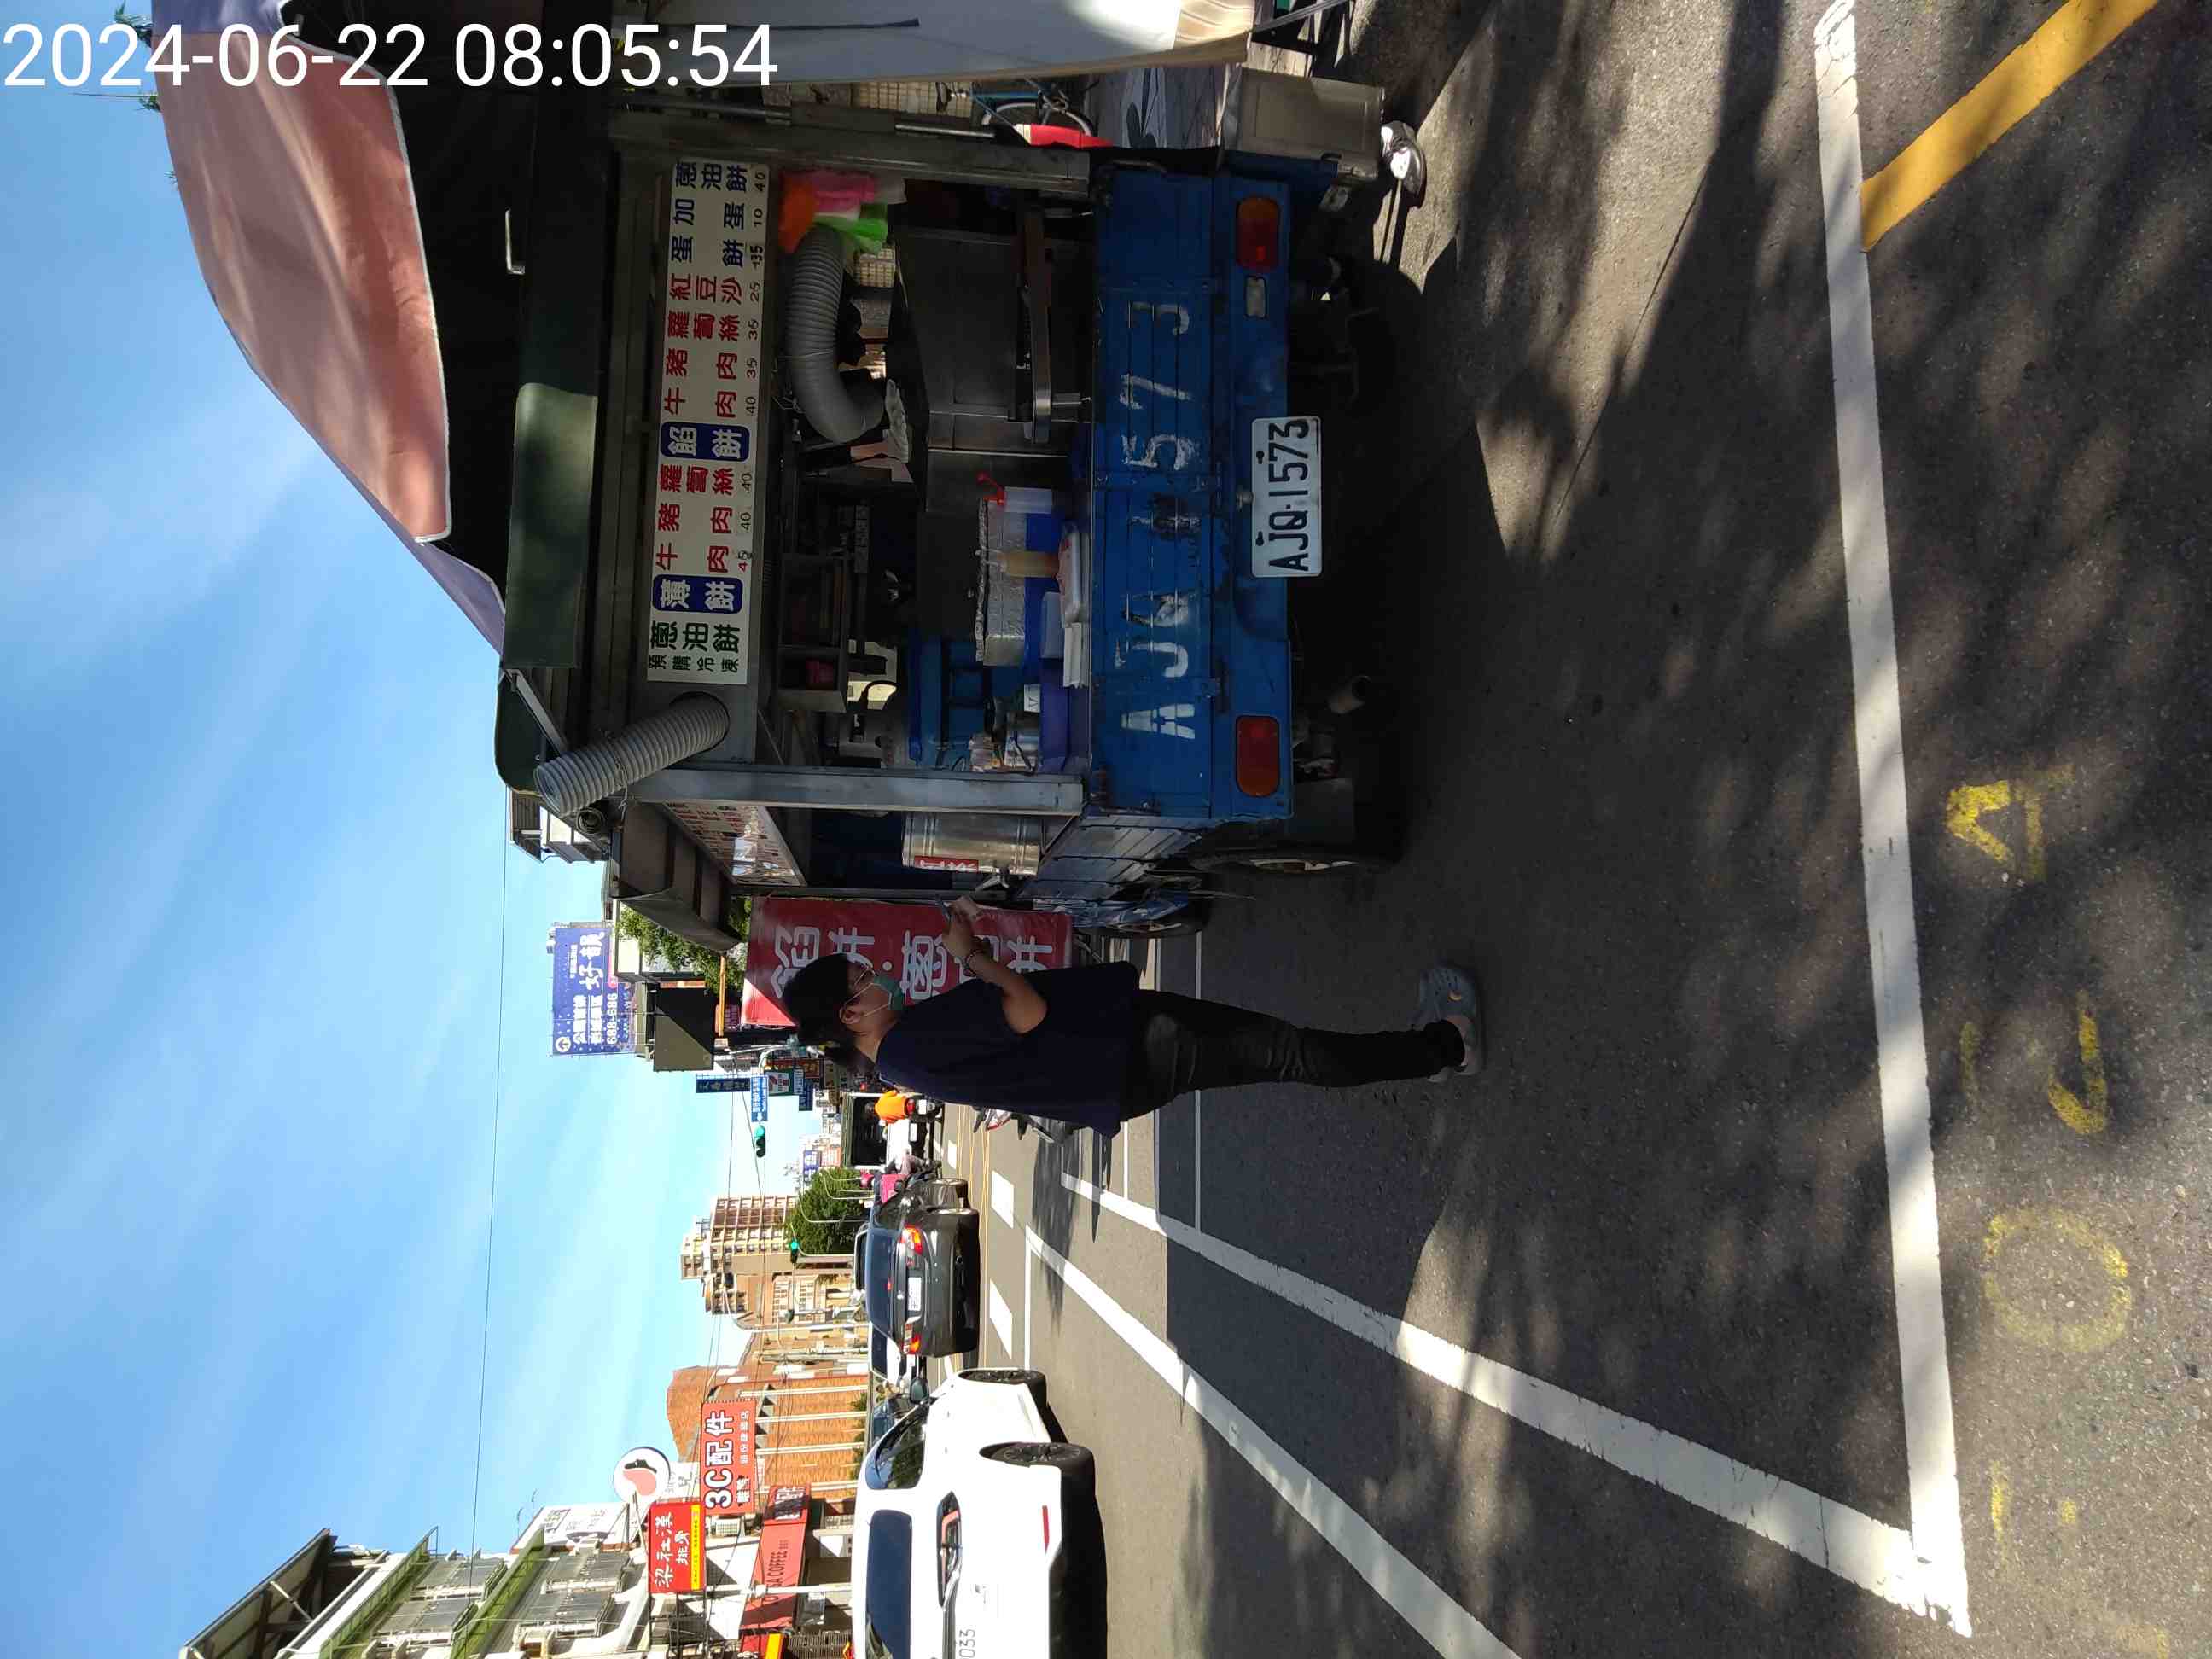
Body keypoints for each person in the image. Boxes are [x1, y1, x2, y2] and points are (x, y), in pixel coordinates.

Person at [782, 897, 1483, 1137]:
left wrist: (980, 958)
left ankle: (1431, 1050)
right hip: (1129, 1046)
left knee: (1282, 1052)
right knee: (1287, 1050)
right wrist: (971, 957)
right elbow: (1024, 1011)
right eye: (863, 977)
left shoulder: (903, 1057)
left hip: (1118, 1055)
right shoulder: (908, 1047)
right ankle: (1444, 1046)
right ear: (850, 1012)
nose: (878, 975)